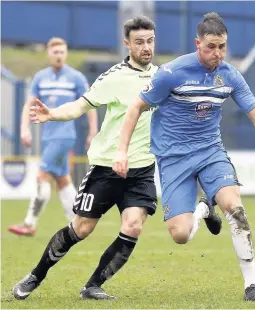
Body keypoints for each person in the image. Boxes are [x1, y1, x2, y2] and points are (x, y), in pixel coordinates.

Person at [113, 12, 255, 301]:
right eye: (211, 46)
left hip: (210, 152)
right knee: (180, 235)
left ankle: (251, 286)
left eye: (222, 47)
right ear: (197, 43)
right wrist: (121, 151)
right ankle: (204, 209)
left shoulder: (229, 75)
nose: (217, 53)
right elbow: (134, 108)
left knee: (235, 207)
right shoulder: (172, 73)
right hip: (173, 159)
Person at [12, 16, 162, 301]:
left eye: (150, 41)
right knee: (82, 228)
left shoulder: (162, 77)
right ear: (127, 44)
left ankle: (93, 285)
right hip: (107, 167)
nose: (146, 47)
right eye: (140, 42)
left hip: (142, 167)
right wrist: (52, 114)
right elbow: (81, 105)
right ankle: (35, 275)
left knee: (133, 225)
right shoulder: (114, 76)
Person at [8, 37, 98, 237]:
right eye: (55, 52)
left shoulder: (75, 77)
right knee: (63, 181)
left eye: (62, 52)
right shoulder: (41, 77)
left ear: (65, 54)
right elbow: (28, 105)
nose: (59, 56)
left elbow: (90, 105)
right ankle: (79, 221)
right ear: (49, 54)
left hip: (64, 137)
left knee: (42, 177)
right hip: (48, 137)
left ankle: (30, 223)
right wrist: (25, 129)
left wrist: (93, 131)